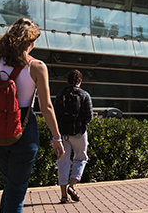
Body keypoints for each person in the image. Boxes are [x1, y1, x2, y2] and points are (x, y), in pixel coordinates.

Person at [0, 18, 64, 213]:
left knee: (10, 186)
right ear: (29, 41)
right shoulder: (37, 66)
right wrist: (56, 137)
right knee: (16, 192)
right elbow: (46, 107)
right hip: (23, 127)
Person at [56, 69, 93, 204]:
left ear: (67, 81)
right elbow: (89, 117)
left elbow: (55, 116)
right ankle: (73, 185)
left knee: (62, 162)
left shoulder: (60, 95)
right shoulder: (84, 95)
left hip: (63, 134)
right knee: (81, 158)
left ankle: (63, 195)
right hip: (79, 133)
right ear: (80, 81)